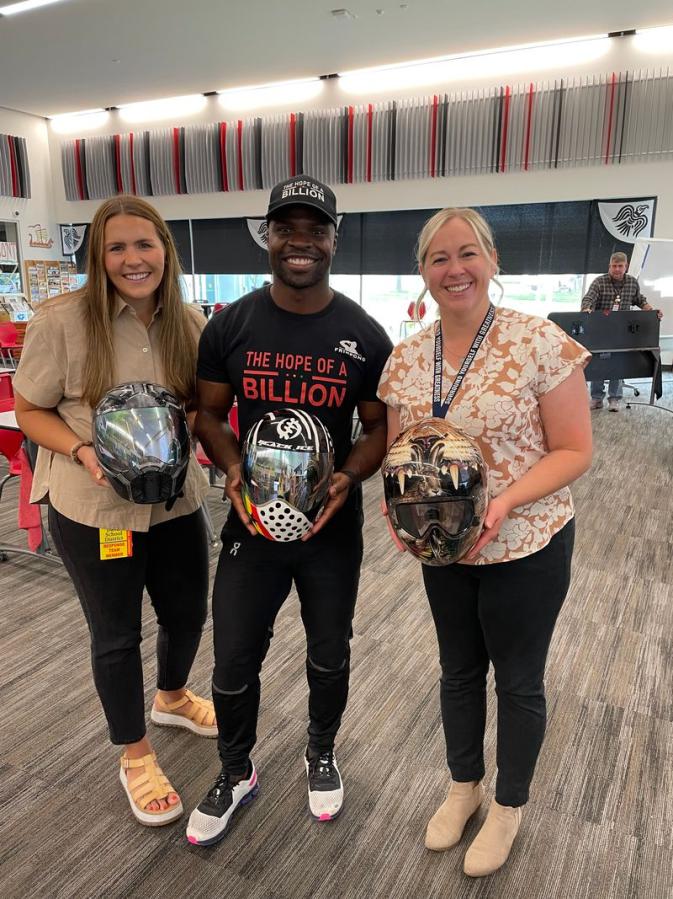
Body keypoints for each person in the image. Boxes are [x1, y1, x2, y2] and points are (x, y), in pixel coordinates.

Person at [377, 208, 592, 877]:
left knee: (518, 681)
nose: (455, 269)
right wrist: (397, 505)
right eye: (438, 258)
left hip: (526, 543)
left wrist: (503, 502)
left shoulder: (539, 342)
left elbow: (574, 450)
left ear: (492, 260)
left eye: (467, 253)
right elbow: (398, 452)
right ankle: (463, 785)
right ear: (422, 271)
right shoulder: (405, 359)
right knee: (458, 671)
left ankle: (507, 805)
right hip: (443, 549)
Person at [187, 174, 393, 846]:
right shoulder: (231, 325)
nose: (299, 242)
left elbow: (377, 428)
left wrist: (349, 476)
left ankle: (320, 751)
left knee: (329, 652)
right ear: (267, 236)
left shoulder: (364, 335)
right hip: (251, 524)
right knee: (232, 657)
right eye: (286, 229)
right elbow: (208, 414)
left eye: (315, 230)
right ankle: (235, 768)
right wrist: (232, 466)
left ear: (335, 239)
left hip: (329, 529)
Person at [13, 195, 215, 827]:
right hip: (95, 508)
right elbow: (28, 409)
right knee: (117, 632)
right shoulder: (62, 322)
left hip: (177, 501)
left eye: (144, 244)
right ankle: (135, 754)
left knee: (188, 612)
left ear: (165, 252)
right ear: (98, 257)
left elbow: (200, 405)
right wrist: (81, 450)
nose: (133, 259)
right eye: (117, 247)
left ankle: (172, 696)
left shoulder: (189, 322)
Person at [581, 251, 662, 411]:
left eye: (620, 266)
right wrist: (586, 308)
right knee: (599, 363)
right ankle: (596, 398)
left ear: (626, 266)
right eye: (614, 266)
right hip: (601, 329)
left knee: (617, 363)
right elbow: (589, 298)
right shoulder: (599, 282)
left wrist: (652, 311)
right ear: (609, 266)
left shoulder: (632, 282)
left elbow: (639, 300)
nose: (617, 269)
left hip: (622, 330)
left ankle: (614, 399)